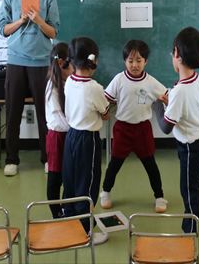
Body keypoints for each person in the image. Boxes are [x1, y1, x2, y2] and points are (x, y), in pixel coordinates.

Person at [0, 0, 59, 177]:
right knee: (13, 113)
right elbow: (3, 30)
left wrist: (38, 20)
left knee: (45, 114)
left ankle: (48, 158)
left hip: (41, 62)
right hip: (16, 61)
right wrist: (21, 20)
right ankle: (12, 159)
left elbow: (53, 32)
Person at [99, 40, 169, 213]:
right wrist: (102, 111)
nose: (134, 65)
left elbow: (167, 95)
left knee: (150, 165)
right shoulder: (119, 79)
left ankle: (159, 196)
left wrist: (169, 102)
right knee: (115, 164)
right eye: (130, 61)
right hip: (122, 129)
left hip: (143, 130)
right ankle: (105, 192)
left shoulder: (151, 82)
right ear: (125, 61)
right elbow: (105, 99)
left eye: (139, 60)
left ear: (146, 61)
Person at [153, 27, 199, 233]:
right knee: (191, 168)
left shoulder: (179, 92)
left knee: (188, 188)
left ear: (177, 53)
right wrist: (172, 104)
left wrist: (158, 106)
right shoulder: (197, 79)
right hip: (198, 135)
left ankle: (190, 228)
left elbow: (166, 127)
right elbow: (192, 103)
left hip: (189, 143)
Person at [61, 37, 110, 244]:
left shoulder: (69, 81)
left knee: (71, 180)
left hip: (71, 136)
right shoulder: (94, 88)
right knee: (88, 183)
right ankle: (85, 231)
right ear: (93, 60)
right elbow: (105, 113)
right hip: (88, 140)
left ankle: (69, 222)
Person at [45, 42, 72, 218]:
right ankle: (56, 213)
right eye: (73, 64)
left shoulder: (67, 82)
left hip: (68, 135)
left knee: (68, 176)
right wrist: (77, 125)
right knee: (55, 178)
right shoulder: (52, 86)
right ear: (62, 63)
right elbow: (60, 118)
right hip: (57, 137)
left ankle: (66, 210)